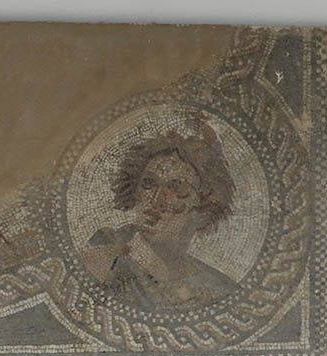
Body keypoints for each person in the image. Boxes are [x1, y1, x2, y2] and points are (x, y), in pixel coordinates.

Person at [83, 119, 239, 310]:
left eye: (176, 187)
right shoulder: (104, 261)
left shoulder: (219, 287)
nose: (157, 200)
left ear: (204, 203)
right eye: (149, 183)